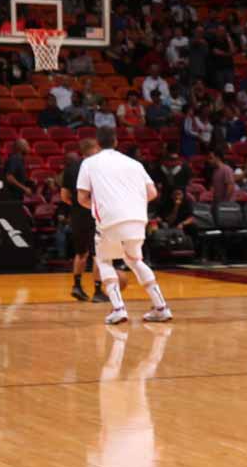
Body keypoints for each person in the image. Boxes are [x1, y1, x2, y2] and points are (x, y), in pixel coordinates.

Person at [76, 127, 173, 326]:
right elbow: (153, 192)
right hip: (137, 218)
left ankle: (118, 309)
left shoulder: (89, 163)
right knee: (135, 260)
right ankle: (161, 307)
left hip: (110, 219)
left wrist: (101, 205)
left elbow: (81, 197)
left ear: (98, 143)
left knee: (103, 260)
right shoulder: (134, 163)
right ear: (116, 142)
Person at [62, 139, 99, 302]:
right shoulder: (97, 167)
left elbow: (64, 196)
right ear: (95, 148)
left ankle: (76, 286)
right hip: (94, 214)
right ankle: (98, 291)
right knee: (98, 255)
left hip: (77, 215)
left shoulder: (71, 168)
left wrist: (77, 205)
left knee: (81, 253)